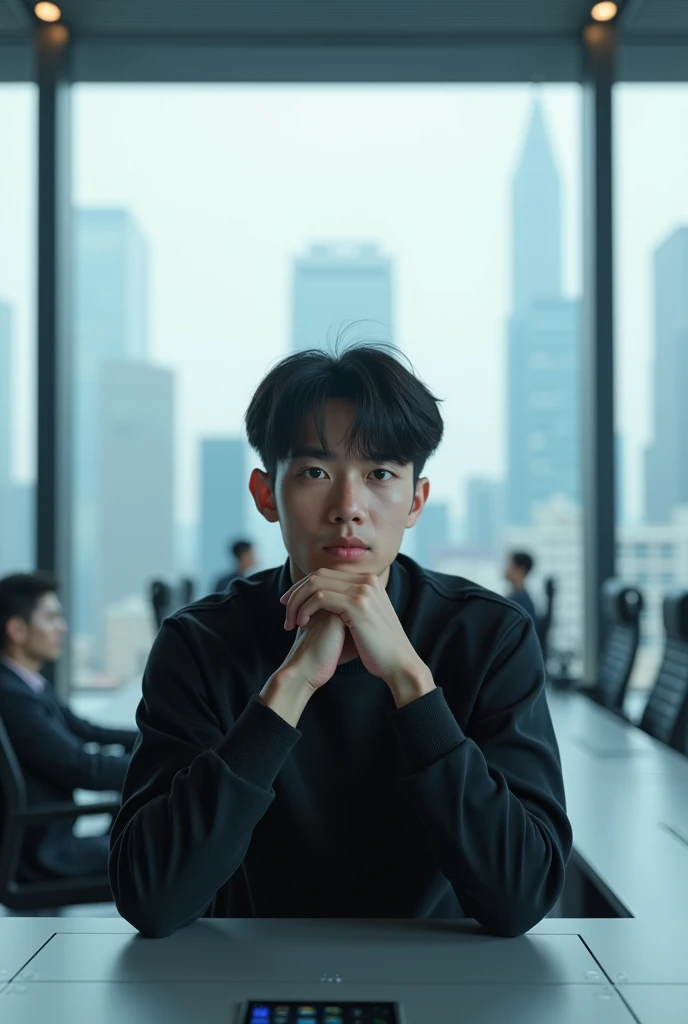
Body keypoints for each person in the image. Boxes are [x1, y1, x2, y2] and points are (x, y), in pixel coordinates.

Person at [110, 344, 572, 939]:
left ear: (416, 501)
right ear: (266, 494)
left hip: (444, 981)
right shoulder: (199, 643)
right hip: (241, 974)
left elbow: (523, 896)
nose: (348, 508)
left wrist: (411, 681)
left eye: (380, 474)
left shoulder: (489, 636)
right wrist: (292, 684)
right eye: (315, 473)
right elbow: (151, 899)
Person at [0, 572, 138, 881]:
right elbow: (81, 767)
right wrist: (161, 765)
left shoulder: (28, 685)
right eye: (51, 618)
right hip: (43, 852)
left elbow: (87, 730)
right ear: (17, 629)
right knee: (169, 853)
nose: (62, 627)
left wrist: (155, 737)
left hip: (50, 838)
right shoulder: (12, 697)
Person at [505, 551, 537, 621]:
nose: (506, 569)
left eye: (510, 565)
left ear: (521, 570)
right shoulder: (515, 596)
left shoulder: (521, 602)